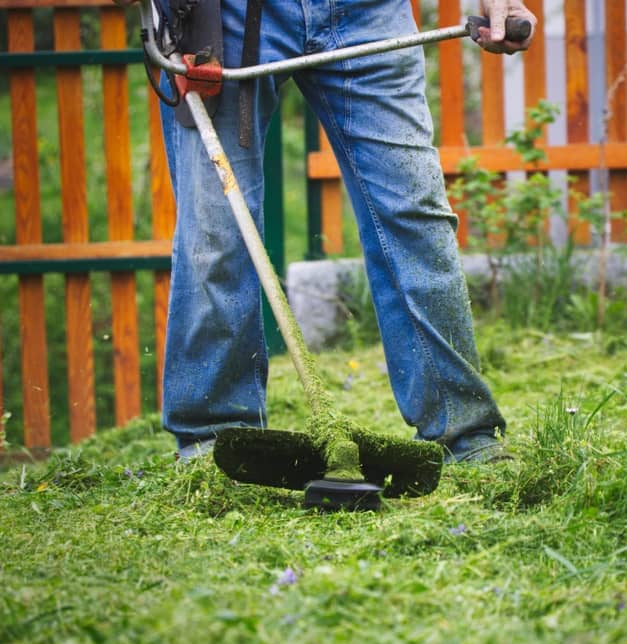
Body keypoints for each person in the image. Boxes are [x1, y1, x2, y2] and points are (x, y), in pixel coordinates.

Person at [158, 0, 537, 463]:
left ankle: (463, 433)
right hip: (225, 18)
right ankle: (213, 440)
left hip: (368, 11)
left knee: (415, 211)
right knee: (215, 229)